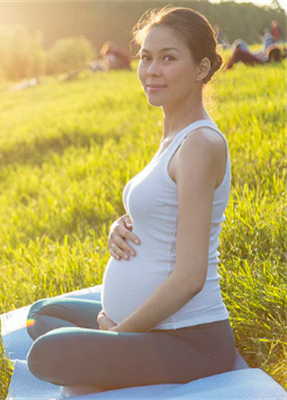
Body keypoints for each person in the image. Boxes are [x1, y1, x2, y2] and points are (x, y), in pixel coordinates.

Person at [25, 7, 236, 395]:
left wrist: (118, 335)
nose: (151, 70)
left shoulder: (201, 145)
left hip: (190, 341)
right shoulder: (174, 140)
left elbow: (191, 278)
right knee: (42, 316)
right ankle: (105, 362)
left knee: (46, 354)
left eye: (168, 58)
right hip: (137, 327)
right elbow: (165, 216)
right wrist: (120, 226)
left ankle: (105, 362)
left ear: (202, 68)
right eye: (146, 57)